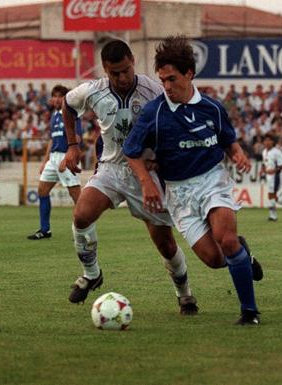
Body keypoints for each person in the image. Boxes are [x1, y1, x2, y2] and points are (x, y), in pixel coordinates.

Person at [123, 35, 263, 325]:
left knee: (226, 238)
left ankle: (249, 312)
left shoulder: (212, 107)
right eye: (163, 81)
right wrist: (148, 183)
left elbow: (228, 140)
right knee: (214, 259)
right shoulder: (154, 112)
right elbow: (131, 152)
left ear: (189, 74)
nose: (167, 86)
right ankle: (243, 255)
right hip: (178, 193)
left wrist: (238, 154)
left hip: (213, 181)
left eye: (172, 79)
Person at [59, 39, 198, 315]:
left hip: (145, 173)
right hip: (111, 168)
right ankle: (91, 274)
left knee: (166, 243)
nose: (122, 78)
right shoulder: (93, 91)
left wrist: (162, 156)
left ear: (133, 60)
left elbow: (176, 120)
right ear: (104, 69)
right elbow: (67, 105)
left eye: (125, 70)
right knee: (81, 216)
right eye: (114, 73)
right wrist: (72, 146)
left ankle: (185, 295)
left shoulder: (154, 90)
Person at [28, 85, 82, 240]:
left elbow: (77, 138)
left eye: (60, 96)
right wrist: (45, 161)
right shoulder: (54, 116)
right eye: (55, 96)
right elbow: (53, 140)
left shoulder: (72, 114)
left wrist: (67, 158)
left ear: (66, 98)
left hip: (67, 157)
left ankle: (82, 231)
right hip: (53, 158)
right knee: (42, 190)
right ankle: (45, 230)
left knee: (77, 196)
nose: (57, 99)